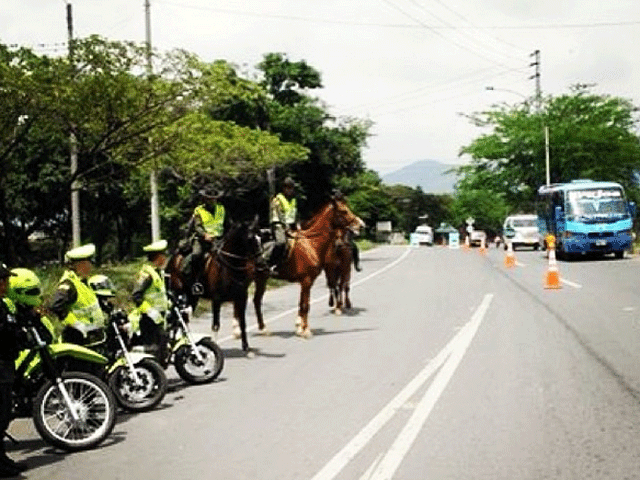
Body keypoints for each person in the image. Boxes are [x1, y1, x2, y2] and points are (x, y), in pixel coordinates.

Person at [0, 264, 27, 476]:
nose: (6, 284)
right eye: (3, 280)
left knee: (5, 411)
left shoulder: (2, 304)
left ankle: (2, 459)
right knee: (1, 412)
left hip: (6, 362)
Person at [49, 243, 106, 345]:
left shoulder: (82, 281)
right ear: (81, 264)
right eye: (89, 262)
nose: (91, 266)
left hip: (91, 337)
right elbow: (56, 305)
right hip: (78, 338)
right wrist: (76, 324)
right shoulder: (69, 284)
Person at [181, 187, 227, 291]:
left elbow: (227, 223)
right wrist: (205, 235)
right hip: (202, 240)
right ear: (205, 199)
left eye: (214, 198)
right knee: (197, 254)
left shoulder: (221, 208)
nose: (212, 200)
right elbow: (197, 226)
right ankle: (195, 282)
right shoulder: (199, 210)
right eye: (209, 198)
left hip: (219, 239)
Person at [128, 240, 169, 354]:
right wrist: (150, 311)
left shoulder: (158, 272)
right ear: (158, 257)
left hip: (159, 317)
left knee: (160, 348)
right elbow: (136, 296)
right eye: (163, 255)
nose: (165, 258)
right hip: (148, 319)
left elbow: (160, 294)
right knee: (152, 350)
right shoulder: (146, 274)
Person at [266, 176, 298, 274]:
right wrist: (286, 228)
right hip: (278, 224)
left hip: (290, 224)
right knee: (281, 242)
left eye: (292, 188)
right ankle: (272, 264)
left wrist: (297, 226)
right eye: (288, 188)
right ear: (284, 188)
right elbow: (280, 216)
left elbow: (293, 215)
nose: (290, 190)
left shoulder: (293, 200)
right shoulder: (278, 199)